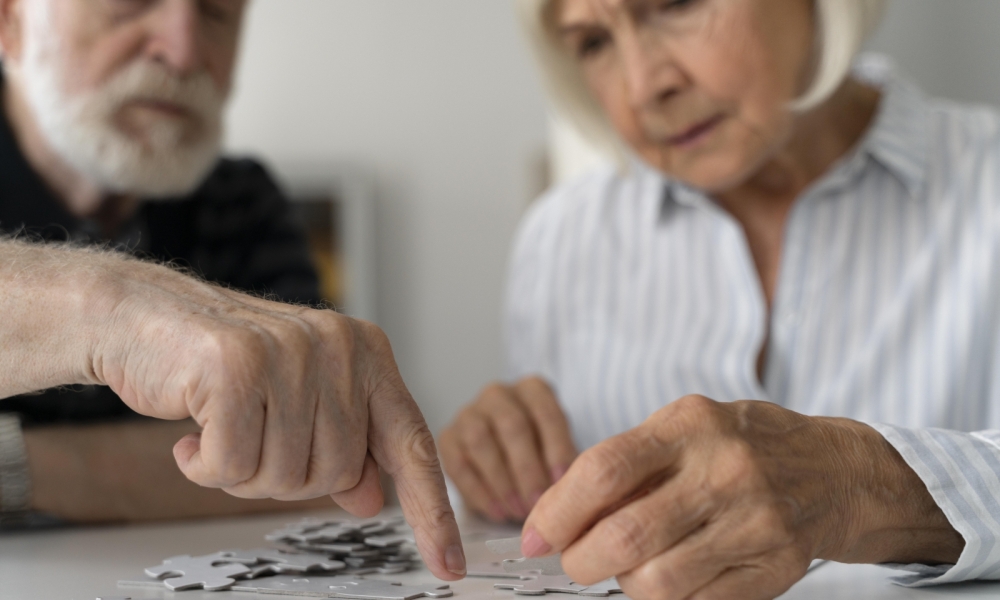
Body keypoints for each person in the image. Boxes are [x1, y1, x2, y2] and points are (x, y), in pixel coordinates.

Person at [440, 0, 1000, 595]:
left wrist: (859, 486)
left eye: (676, 5)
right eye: (593, 43)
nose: (643, 87)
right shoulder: (558, 239)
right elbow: (537, 523)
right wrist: (497, 467)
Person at [0, 0, 465, 581]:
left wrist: (15, 466)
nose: (184, 51)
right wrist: (109, 306)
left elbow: (319, 466)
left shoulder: (243, 202)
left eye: (217, 11)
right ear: (11, 20)